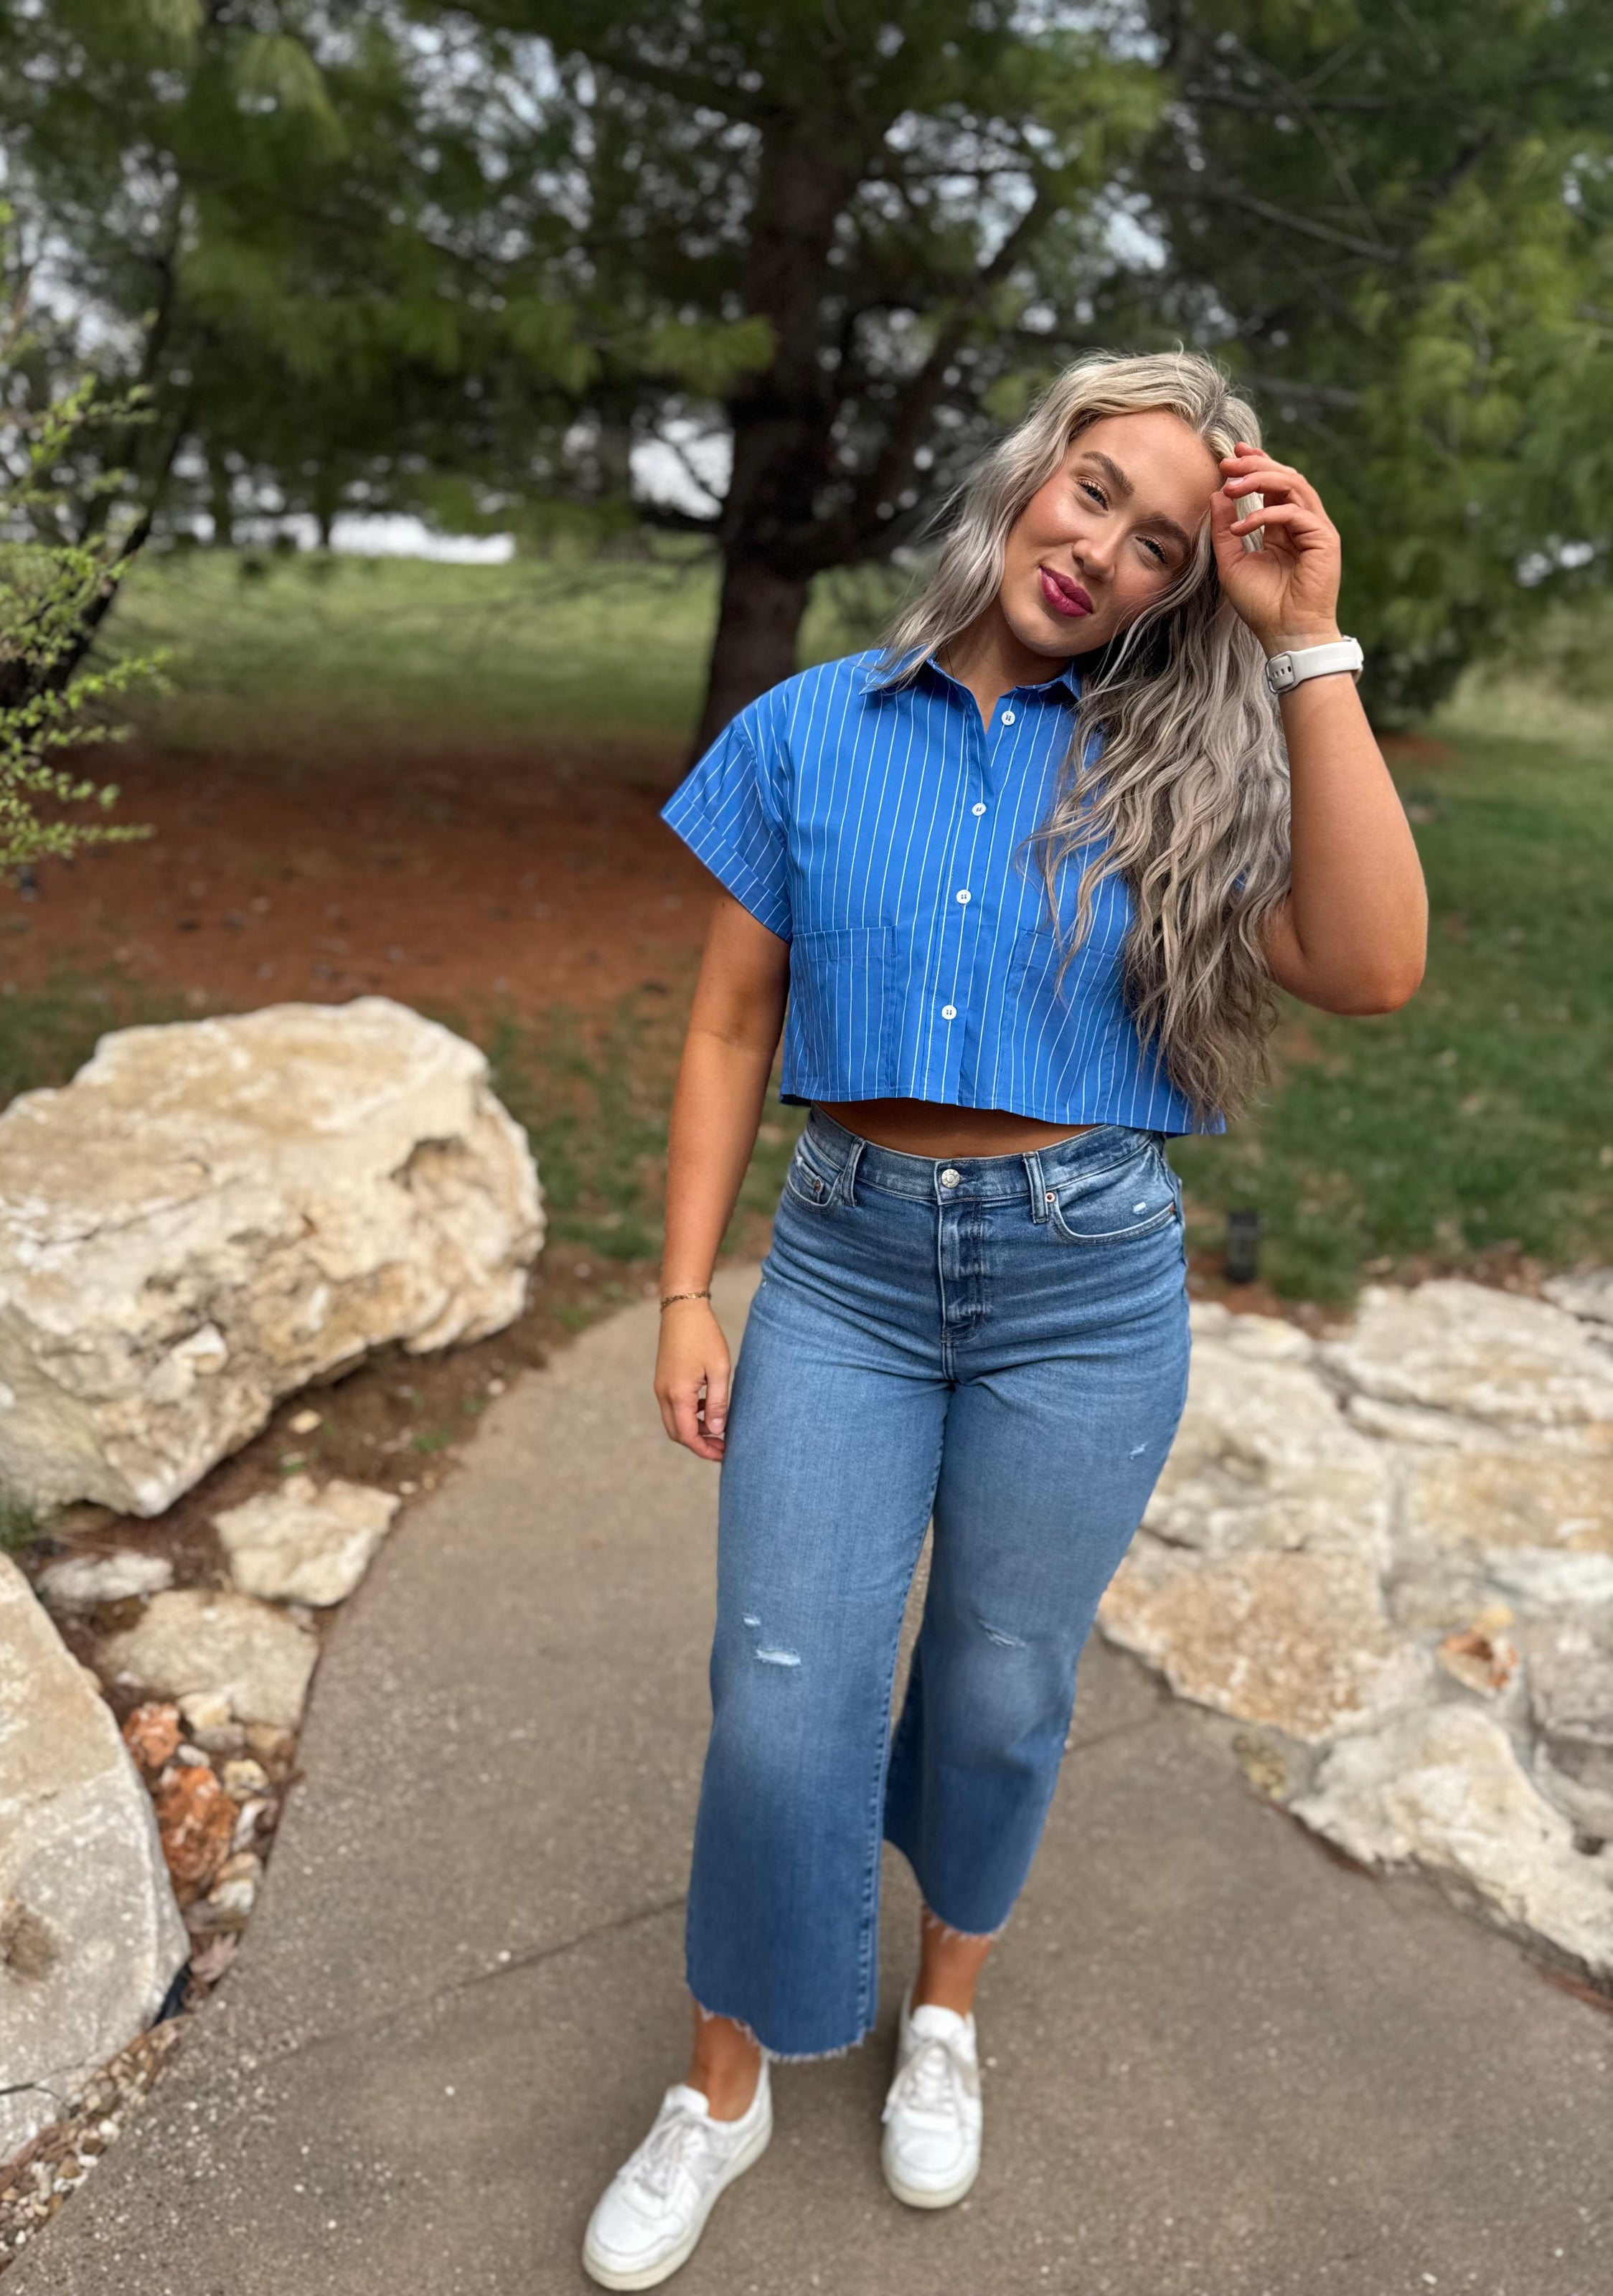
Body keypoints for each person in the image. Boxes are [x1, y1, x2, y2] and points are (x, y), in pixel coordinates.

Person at [581, 349, 1427, 2290]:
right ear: (1029, 474)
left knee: (999, 1688)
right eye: (1094, 492)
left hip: (1085, 1287)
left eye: (1163, 546)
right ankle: (722, 2086)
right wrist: (686, 1290)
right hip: (847, 1274)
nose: (1105, 550)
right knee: (782, 1696)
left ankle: (944, 2013)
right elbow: (727, 1025)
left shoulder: (1188, 772)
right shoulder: (809, 729)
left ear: (1181, 591)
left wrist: (1306, 641)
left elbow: (1375, 965)